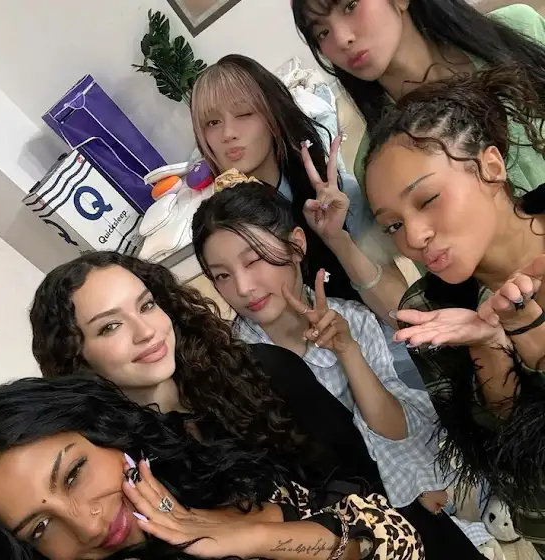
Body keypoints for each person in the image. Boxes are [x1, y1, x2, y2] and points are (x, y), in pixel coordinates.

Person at [30, 253, 485, 559]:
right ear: (77, 358)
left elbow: (361, 479)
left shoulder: (262, 369)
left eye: (146, 306)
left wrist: (261, 533)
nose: (145, 331)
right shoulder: (124, 471)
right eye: (109, 327)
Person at [192, 177, 493, 553]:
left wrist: (347, 351)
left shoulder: (353, 320)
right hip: (330, 529)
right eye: (222, 275)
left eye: (253, 260)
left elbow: (397, 431)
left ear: (296, 245)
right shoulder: (233, 365)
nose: (243, 287)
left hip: (399, 504)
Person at [362, 64, 545, 553]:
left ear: (491, 167)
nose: (414, 236)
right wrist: (491, 344)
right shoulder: (429, 313)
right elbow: (511, 458)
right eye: (393, 226)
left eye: (427, 199)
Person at [0, 374, 425, 560]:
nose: (89, 527)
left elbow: (396, 541)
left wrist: (252, 537)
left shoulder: (214, 472)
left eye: (73, 474)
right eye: (40, 528)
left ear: (106, 434)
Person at [190, 53, 408, 327]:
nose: (228, 133)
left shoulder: (334, 197)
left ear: (272, 113)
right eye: (212, 123)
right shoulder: (223, 225)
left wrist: (337, 240)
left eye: (244, 113)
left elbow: (403, 317)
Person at [291, 0, 545, 192]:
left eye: (351, 5)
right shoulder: (379, 161)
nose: (341, 39)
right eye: (322, 33)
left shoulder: (521, 29)